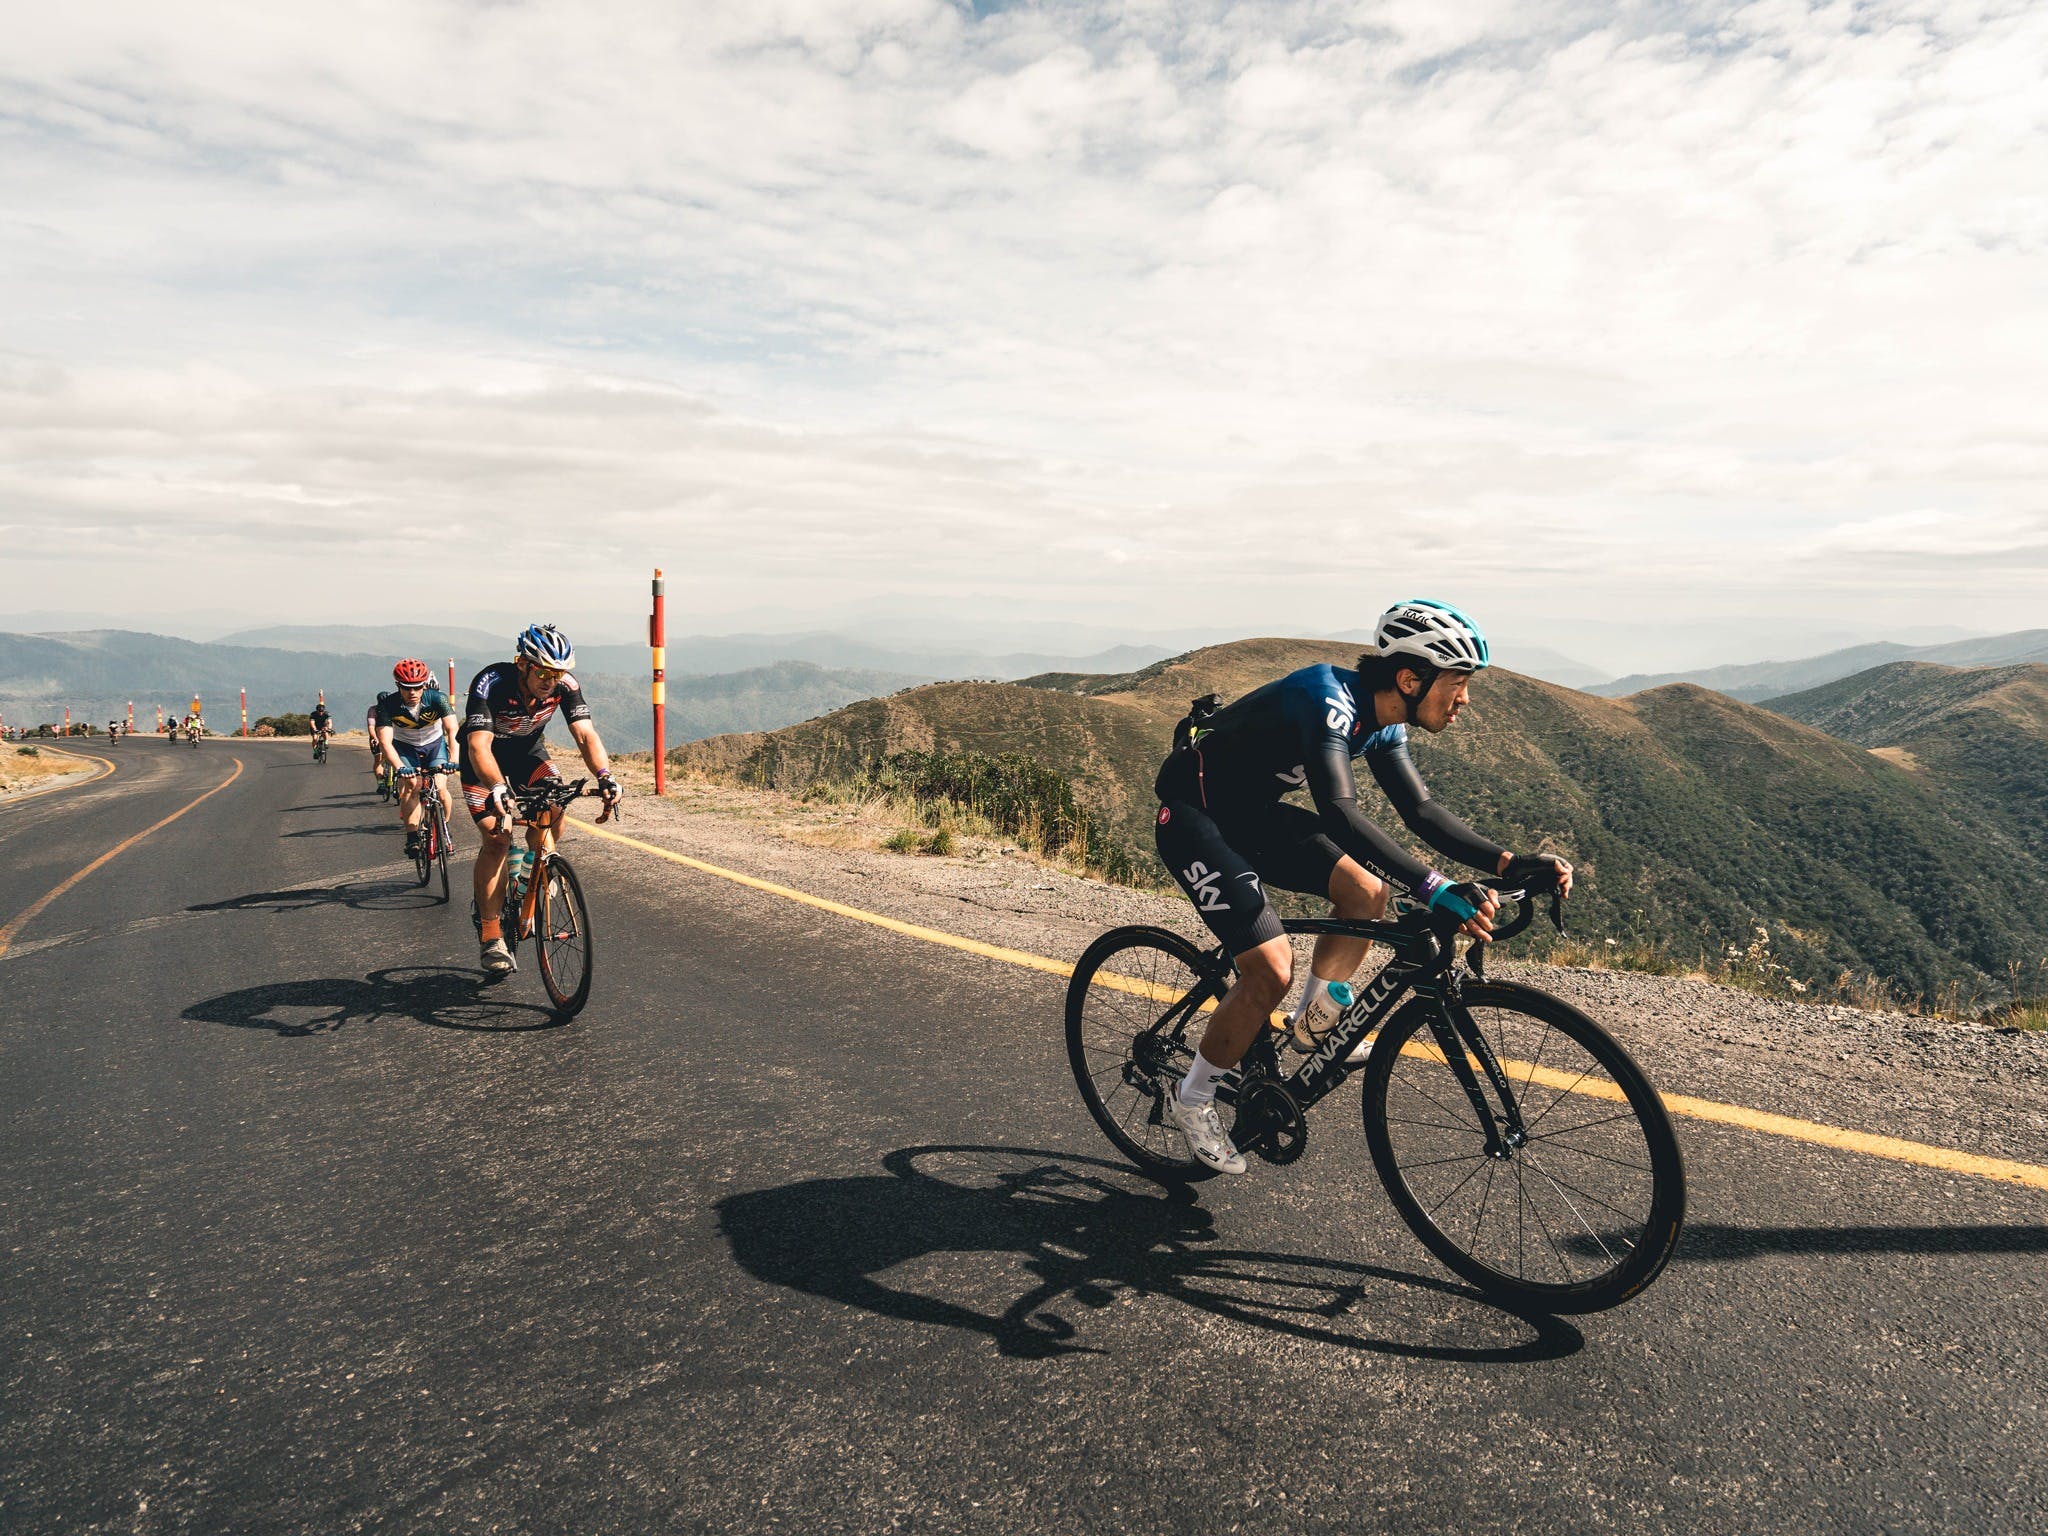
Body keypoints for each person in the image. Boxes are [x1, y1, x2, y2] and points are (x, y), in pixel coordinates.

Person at [1152, 599, 1574, 1175]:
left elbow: (1420, 811)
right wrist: (1436, 888)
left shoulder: (1383, 725)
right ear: (1410, 678)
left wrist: (1509, 863)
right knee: (1270, 969)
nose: (1465, 699)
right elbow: (1341, 813)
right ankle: (1194, 1099)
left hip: (1252, 816)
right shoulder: (1326, 700)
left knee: (1368, 895)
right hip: (1194, 819)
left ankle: (1313, 1025)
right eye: (1458, 682)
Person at [460, 624, 621, 975]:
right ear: (523, 664)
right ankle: (491, 934)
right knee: (497, 839)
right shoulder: (490, 683)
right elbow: (478, 746)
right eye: (544, 672)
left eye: (558, 672)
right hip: (482, 761)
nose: (551, 680)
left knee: (557, 799)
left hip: (526, 754)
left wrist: (605, 776)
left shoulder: (565, 686)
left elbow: (584, 733)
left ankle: (533, 870)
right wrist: (497, 785)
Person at [373, 660, 461, 857]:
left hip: (435, 745)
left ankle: (444, 829)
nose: (412, 692)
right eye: (406, 688)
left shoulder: (438, 698)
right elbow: (385, 742)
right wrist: (399, 767)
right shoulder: (388, 705)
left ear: (424, 684)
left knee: (440, 786)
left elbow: (452, 729)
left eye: (417, 687)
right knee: (413, 786)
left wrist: (453, 759)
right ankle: (412, 837)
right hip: (405, 748)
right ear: (398, 686)